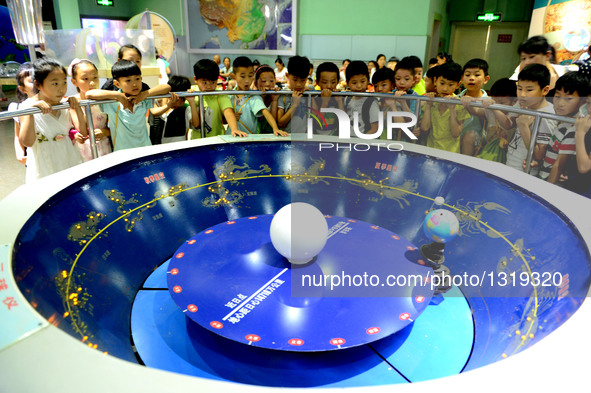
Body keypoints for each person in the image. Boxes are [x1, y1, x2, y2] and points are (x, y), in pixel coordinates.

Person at [18, 58, 86, 182]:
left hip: (69, 158)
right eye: (55, 84)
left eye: (64, 83)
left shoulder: (65, 104)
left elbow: (83, 133)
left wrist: (77, 108)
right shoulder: (27, 106)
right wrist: (30, 112)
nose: (61, 89)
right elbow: (27, 142)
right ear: (38, 85)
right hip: (44, 164)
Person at [85, 60, 171, 151]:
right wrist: (118, 95)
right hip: (123, 153)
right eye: (128, 80)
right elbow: (89, 94)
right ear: (117, 84)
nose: (134, 84)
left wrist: (145, 94)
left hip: (146, 149)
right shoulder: (112, 103)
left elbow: (167, 88)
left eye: (137, 79)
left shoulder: (144, 99)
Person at [491, 64, 555, 175]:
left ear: (545, 90)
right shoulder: (521, 104)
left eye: (529, 90)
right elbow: (508, 124)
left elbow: (539, 154)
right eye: (519, 88)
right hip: (511, 162)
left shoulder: (547, 115)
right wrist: (493, 107)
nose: (522, 94)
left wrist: (523, 127)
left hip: (526, 170)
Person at [539, 72, 588, 183]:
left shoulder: (573, 128)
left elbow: (558, 166)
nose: (560, 103)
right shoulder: (562, 121)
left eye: (568, 99)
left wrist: (546, 192)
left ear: (583, 101)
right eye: (557, 96)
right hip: (544, 176)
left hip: (551, 182)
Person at [188, 59, 247, 139]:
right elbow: (195, 124)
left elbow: (228, 112)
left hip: (217, 139)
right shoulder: (191, 93)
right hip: (196, 141)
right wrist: (191, 101)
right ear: (195, 79)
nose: (209, 86)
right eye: (204, 82)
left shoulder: (220, 95)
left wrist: (234, 129)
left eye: (212, 82)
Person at [419, 61, 471, 153]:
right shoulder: (433, 100)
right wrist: (429, 105)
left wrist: (452, 109)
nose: (445, 89)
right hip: (430, 151)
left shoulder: (460, 104)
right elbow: (424, 129)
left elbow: (455, 133)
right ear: (435, 81)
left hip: (450, 154)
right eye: (442, 83)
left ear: (458, 85)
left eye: (450, 85)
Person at [230, 56, 287, 136]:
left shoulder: (255, 96)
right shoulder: (228, 95)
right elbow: (222, 118)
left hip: (248, 137)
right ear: (234, 76)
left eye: (250, 76)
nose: (247, 80)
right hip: (230, 136)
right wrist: (230, 117)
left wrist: (275, 128)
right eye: (243, 76)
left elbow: (265, 113)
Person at [68, 59, 112, 161]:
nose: (92, 82)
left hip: (105, 147)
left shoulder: (104, 100)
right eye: (85, 79)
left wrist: (105, 132)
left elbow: (116, 127)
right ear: (74, 82)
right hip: (84, 151)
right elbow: (81, 131)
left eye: (95, 77)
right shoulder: (73, 102)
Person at [149, 75, 200, 144]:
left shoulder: (185, 108)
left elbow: (196, 124)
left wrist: (191, 101)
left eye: (182, 98)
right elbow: (154, 112)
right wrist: (167, 103)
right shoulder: (158, 102)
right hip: (157, 146)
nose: (178, 100)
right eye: (175, 96)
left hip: (179, 147)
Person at [478, 78, 516, 163]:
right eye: (495, 101)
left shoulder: (514, 114)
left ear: (514, 101)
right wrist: (469, 101)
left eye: (502, 103)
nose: (498, 105)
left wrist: (494, 107)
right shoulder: (490, 111)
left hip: (507, 157)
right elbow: (476, 111)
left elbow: (507, 125)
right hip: (489, 152)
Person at [458, 58, 490, 156]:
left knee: (470, 136)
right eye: (467, 75)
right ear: (462, 79)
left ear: (486, 79)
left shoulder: (488, 101)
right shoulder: (456, 98)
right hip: (456, 137)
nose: (471, 78)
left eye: (477, 75)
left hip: (476, 143)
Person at [8, 62, 34, 166]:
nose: (37, 84)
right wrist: (20, 153)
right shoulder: (18, 108)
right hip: (31, 155)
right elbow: (17, 135)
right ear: (22, 89)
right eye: (32, 81)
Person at [344, 60, 380, 135]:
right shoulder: (347, 99)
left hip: (363, 143)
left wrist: (361, 143)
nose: (359, 86)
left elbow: (375, 128)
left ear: (367, 80)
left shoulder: (371, 102)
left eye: (362, 81)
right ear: (347, 83)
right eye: (354, 83)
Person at [278, 55, 311, 134]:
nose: (299, 84)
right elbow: (281, 123)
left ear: (307, 77)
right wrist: (295, 104)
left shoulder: (309, 92)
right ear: (287, 75)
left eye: (303, 80)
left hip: (304, 139)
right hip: (287, 140)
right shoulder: (283, 94)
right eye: (295, 80)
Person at [311, 61, 344, 136]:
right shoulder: (314, 98)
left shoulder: (339, 98)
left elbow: (344, 122)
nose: (329, 86)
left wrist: (339, 102)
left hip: (335, 139)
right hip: (316, 138)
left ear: (338, 82)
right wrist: (324, 103)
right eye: (325, 82)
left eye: (333, 82)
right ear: (317, 82)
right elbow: (317, 123)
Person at [254, 65, 279, 133]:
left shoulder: (277, 94)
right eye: (263, 81)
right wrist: (262, 96)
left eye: (271, 81)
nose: (268, 84)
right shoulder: (253, 97)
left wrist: (274, 100)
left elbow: (273, 121)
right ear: (256, 83)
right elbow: (259, 119)